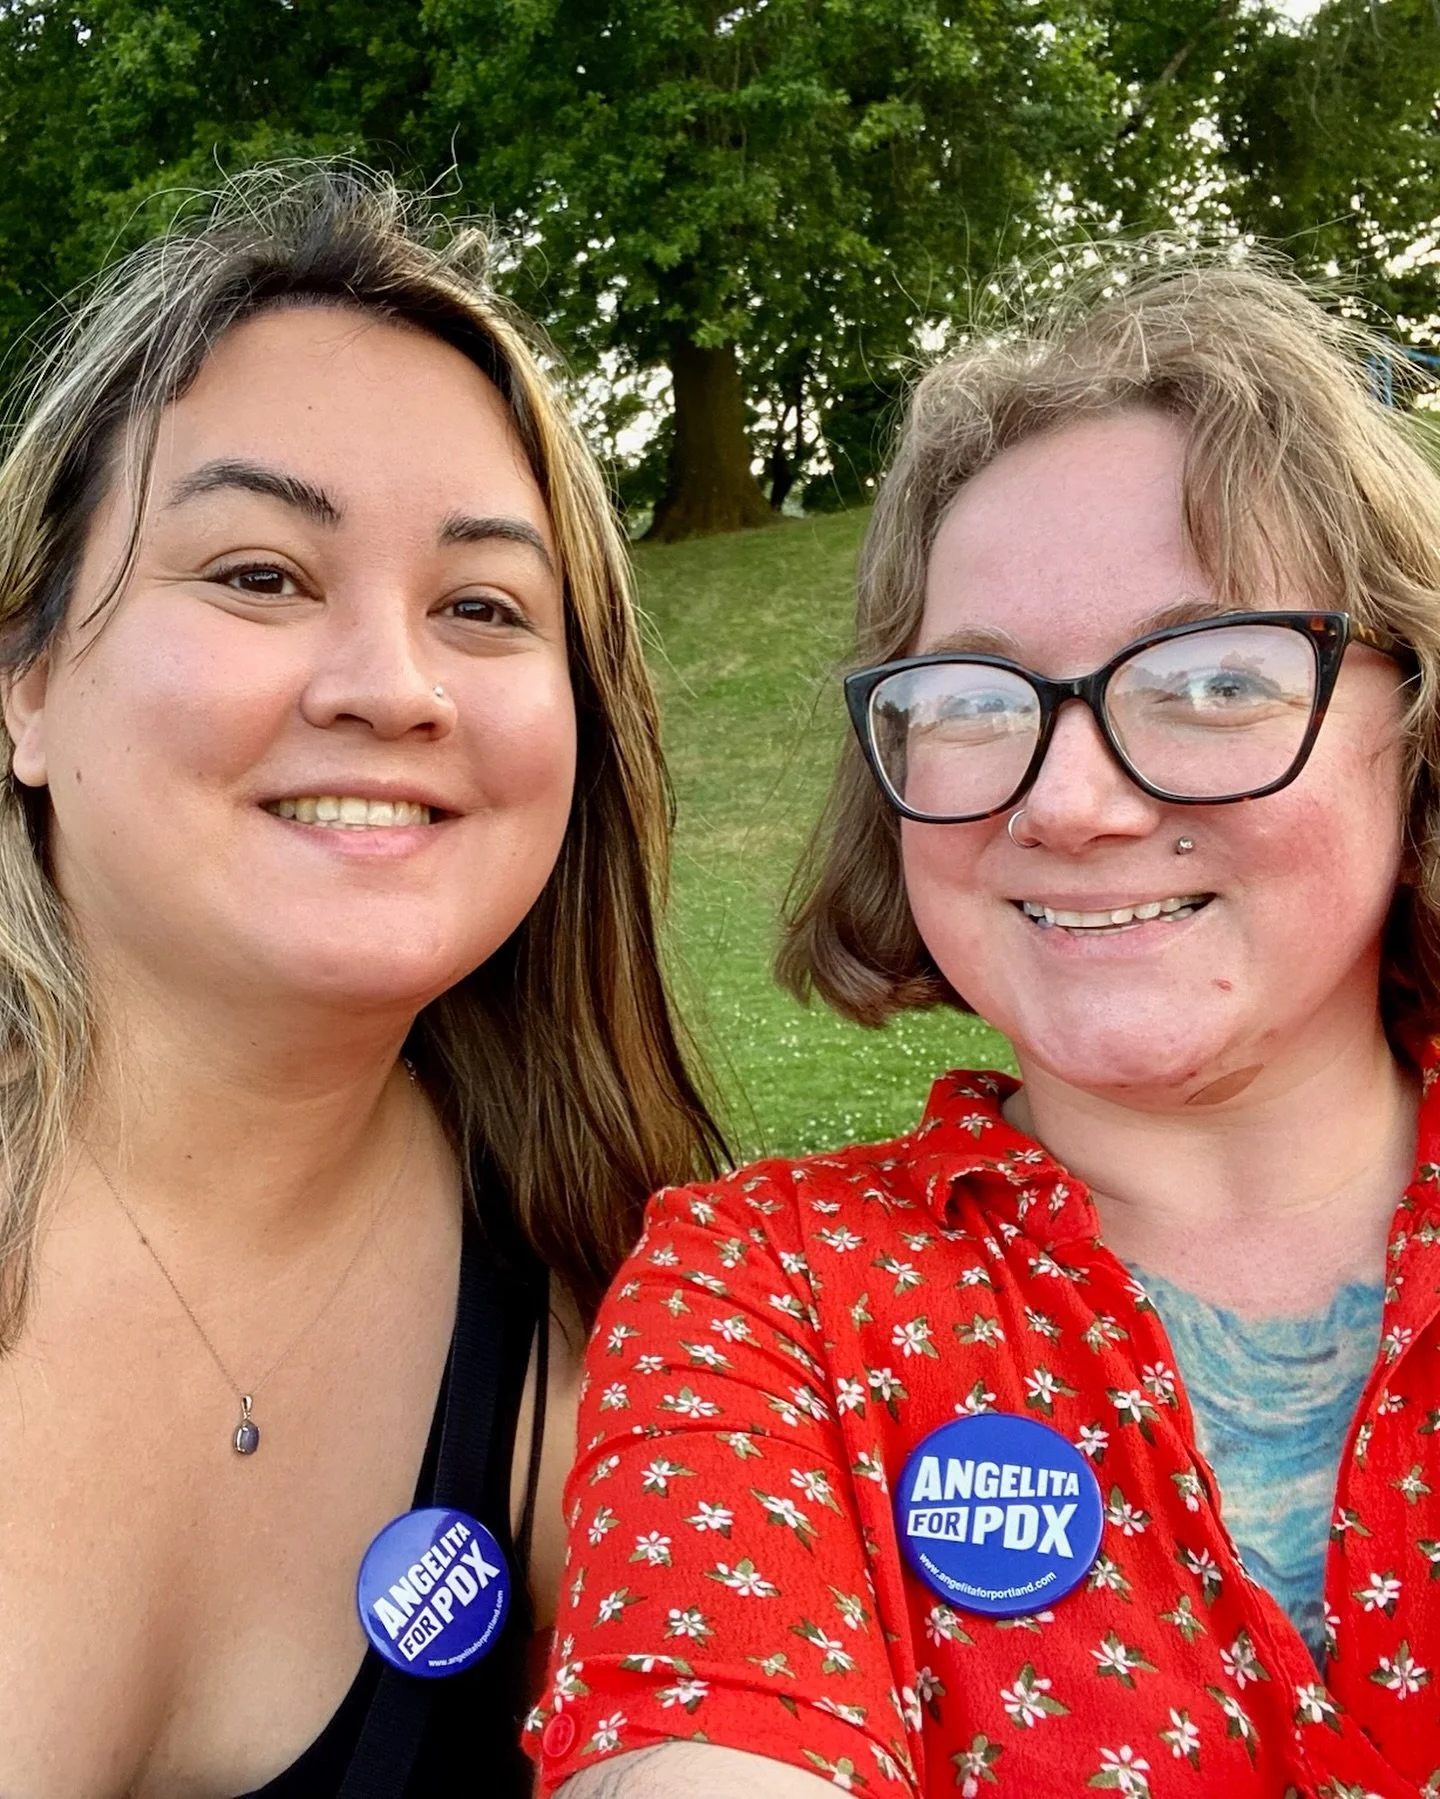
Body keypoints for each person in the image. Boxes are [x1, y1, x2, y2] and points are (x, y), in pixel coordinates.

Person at [529, 258, 1440, 1799]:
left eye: (1217, 675)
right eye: (970, 698)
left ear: (1412, 726)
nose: (1068, 801)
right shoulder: (765, 1296)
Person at [0, 163, 721, 1798]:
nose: (395, 686)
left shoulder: (611, 1326)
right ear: (26, 681)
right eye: (259, 573)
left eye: (481, 605)